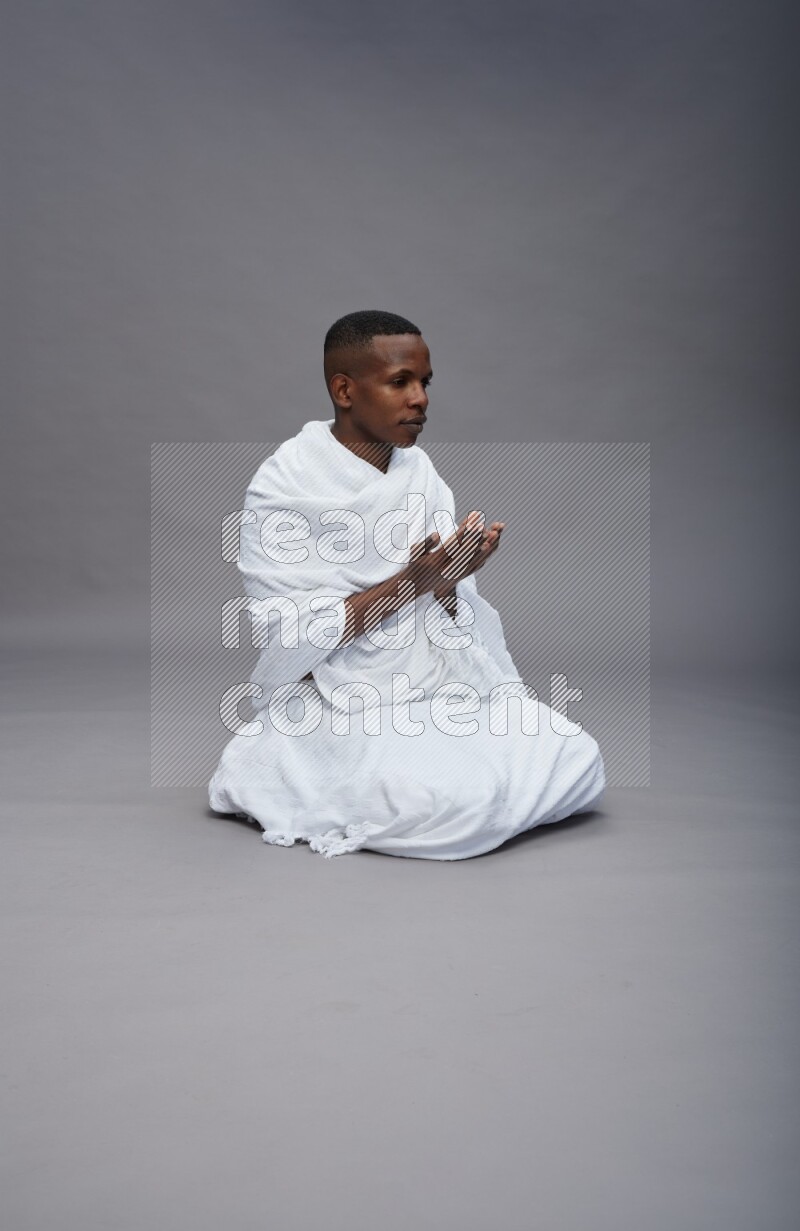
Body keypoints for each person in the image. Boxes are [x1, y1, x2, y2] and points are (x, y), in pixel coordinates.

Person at [208, 310, 605, 858]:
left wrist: (448, 581)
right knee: (447, 803)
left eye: (425, 383)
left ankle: (461, 778)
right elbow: (288, 639)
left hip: (434, 681)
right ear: (344, 390)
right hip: (338, 696)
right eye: (400, 382)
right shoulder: (283, 488)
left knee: (575, 756)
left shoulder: (419, 472)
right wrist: (410, 583)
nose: (420, 399)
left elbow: (449, 611)